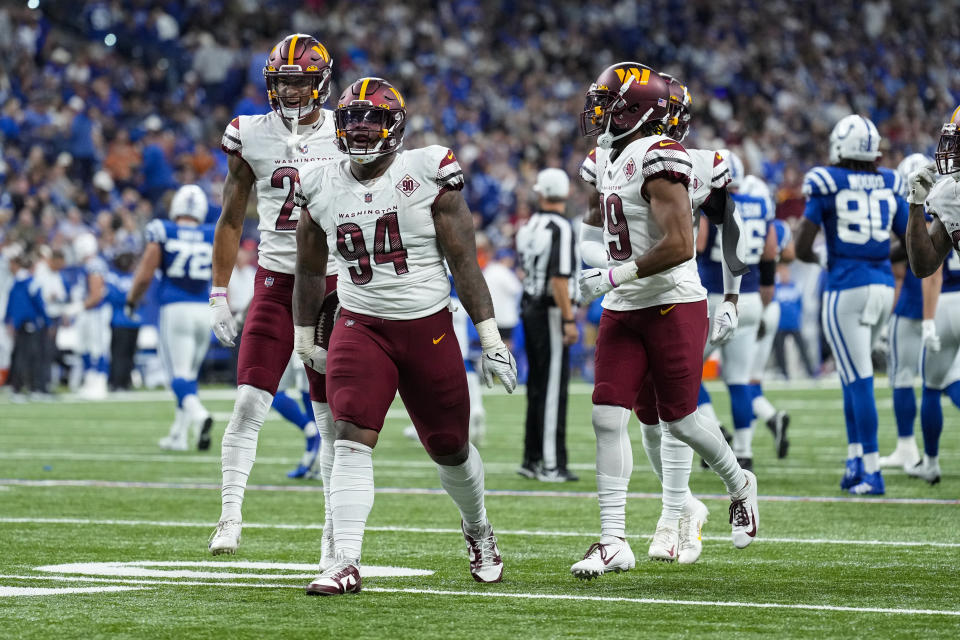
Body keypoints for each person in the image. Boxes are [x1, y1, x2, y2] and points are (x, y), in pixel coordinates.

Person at [292, 77, 517, 595]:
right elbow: (308, 270)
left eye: (372, 120)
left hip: (428, 326)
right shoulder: (319, 182)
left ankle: (478, 526)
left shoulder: (427, 169)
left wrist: (490, 337)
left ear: (395, 127)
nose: (361, 129)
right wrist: (305, 339)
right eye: (351, 120)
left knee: (450, 448)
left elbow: (464, 260)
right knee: (351, 435)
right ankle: (344, 561)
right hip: (359, 323)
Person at [570, 63, 758, 578]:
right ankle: (612, 541)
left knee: (679, 418)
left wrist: (732, 297)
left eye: (609, 102)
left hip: (672, 300)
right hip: (625, 305)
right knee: (609, 416)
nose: (599, 111)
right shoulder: (609, 156)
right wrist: (588, 261)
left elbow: (686, 243)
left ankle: (738, 483)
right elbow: (598, 228)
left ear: (640, 111)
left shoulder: (666, 158)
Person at [206, 34, 341, 562]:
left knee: (331, 416)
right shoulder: (249, 133)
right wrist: (220, 292)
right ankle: (229, 515)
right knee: (246, 403)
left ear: (320, 85)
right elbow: (231, 217)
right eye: (281, 81)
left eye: (299, 82)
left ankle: (334, 529)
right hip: (275, 279)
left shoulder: (347, 130)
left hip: (332, 284)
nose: (288, 91)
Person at [795, 114, 909, 495]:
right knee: (851, 375)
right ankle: (855, 460)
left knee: (858, 378)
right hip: (882, 289)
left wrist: (829, 258)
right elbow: (909, 238)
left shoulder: (826, 182)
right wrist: (876, 253)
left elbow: (802, 246)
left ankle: (872, 471)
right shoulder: (889, 180)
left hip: (846, 287)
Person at [697, 154, 779, 470]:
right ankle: (744, 450)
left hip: (717, 296)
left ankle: (714, 433)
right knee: (739, 379)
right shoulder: (760, 203)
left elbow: (701, 243)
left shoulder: (712, 202)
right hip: (751, 298)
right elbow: (771, 250)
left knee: (687, 372)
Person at [127, 185, 215, 451]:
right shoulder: (212, 233)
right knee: (188, 376)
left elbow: (145, 273)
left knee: (176, 377)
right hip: (204, 307)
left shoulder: (163, 229)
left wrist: (132, 300)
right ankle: (178, 435)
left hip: (175, 308)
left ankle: (199, 416)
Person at [902, 106, 960, 483]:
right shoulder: (952, 192)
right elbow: (923, 265)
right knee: (933, 383)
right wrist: (915, 205)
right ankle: (931, 461)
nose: (951, 149)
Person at [515, 167, 580, 482]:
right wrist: (569, 319)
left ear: (541, 193)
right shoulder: (561, 228)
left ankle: (532, 458)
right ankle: (552, 465)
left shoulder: (531, 224)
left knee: (538, 388)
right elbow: (559, 279)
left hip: (529, 308)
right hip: (550, 311)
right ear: (565, 194)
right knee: (553, 389)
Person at [878, 153, 931, 470]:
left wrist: (878, 254)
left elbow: (913, 248)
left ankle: (907, 447)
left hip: (915, 299)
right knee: (946, 377)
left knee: (902, 376)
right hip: (948, 299)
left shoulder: (914, 207)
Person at [72, 232, 111, 399]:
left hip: (96, 313)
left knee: (97, 348)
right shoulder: (88, 265)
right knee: (85, 347)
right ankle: (90, 381)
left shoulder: (95, 264)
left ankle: (100, 383)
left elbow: (96, 295)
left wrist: (80, 306)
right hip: (88, 313)